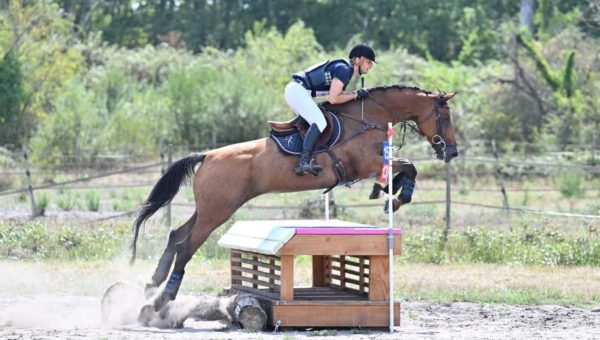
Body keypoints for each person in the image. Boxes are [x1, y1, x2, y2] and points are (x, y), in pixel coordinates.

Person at [285, 43, 376, 176]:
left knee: (317, 122)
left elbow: (335, 99)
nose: (370, 66)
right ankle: (303, 162)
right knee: (320, 122)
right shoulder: (344, 69)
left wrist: (354, 95)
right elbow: (334, 98)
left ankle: (304, 156)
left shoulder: (345, 70)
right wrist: (356, 94)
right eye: (368, 62)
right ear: (357, 60)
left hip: (298, 91)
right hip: (298, 91)